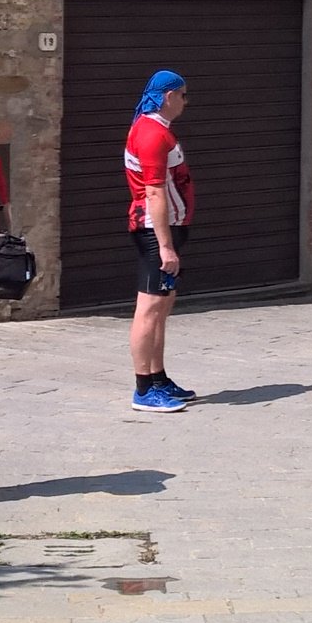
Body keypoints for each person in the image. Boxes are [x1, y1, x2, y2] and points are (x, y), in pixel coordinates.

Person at [123, 70, 194, 413]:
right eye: (183, 95)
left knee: (162, 306)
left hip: (167, 228)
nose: (185, 101)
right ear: (168, 96)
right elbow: (153, 192)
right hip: (154, 231)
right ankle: (143, 389)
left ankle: (159, 378)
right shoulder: (152, 134)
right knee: (149, 308)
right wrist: (165, 246)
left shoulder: (157, 128)